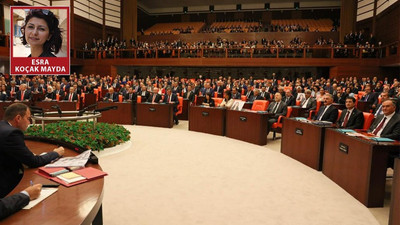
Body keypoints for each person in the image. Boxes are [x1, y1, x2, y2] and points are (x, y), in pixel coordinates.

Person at [0, 103, 64, 198]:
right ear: (18, 118)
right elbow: (33, 162)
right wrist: (56, 153)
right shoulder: (12, 133)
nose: (29, 122)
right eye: (28, 118)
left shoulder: (3, 126)